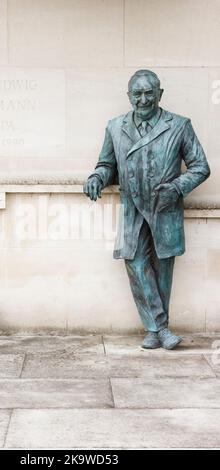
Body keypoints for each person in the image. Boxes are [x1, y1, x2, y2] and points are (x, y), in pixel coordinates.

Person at [83, 69, 210, 350]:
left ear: (159, 94)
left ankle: (154, 331)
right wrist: (96, 178)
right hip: (133, 208)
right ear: (129, 96)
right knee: (136, 263)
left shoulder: (179, 125)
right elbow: (106, 165)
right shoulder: (115, 127)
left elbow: (201, 167)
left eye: (148, 93)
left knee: (164, 269)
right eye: (137, 94)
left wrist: (177, 188)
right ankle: (161, 327)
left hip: (165, 208)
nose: (143, 99)